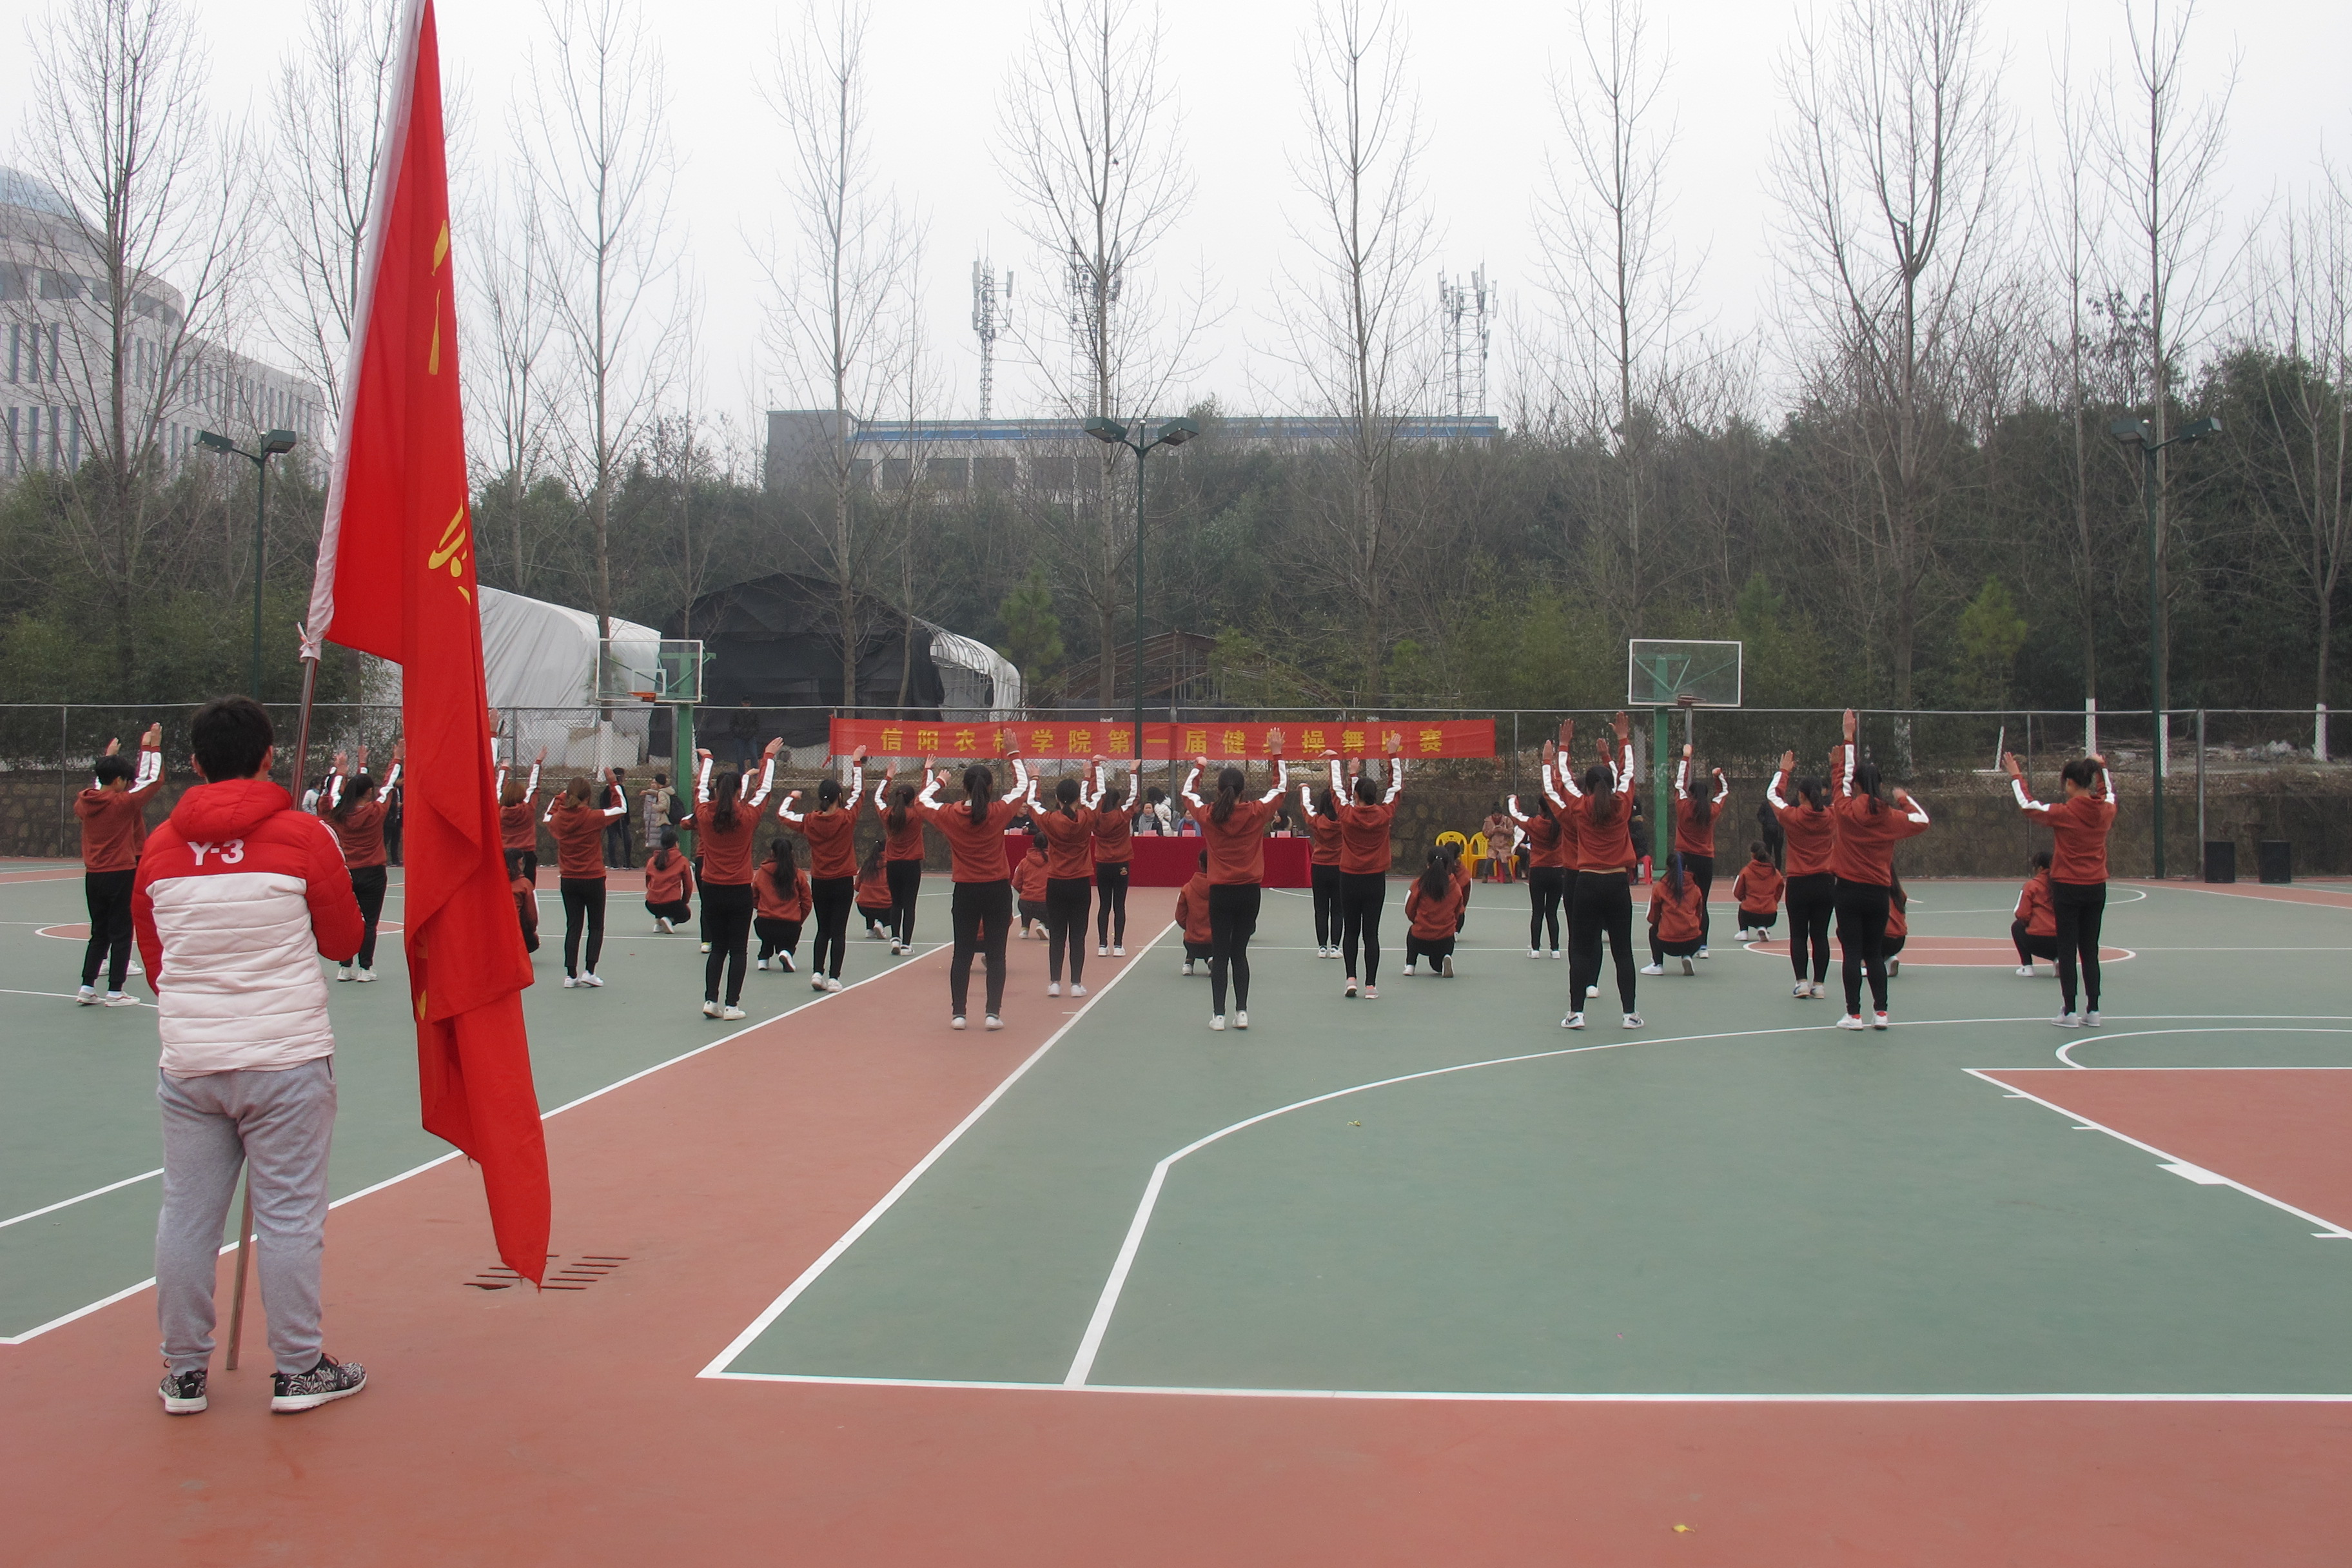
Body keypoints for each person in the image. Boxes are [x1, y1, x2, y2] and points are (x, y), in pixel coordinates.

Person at [133, 695, 368, 1417]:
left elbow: (156, 962)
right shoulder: (305, 835)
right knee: (290, 1215)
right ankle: (299, 1368)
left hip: (193, 1060)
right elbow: (344, 940)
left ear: (195, 762)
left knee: (186, 1215)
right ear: (269, 757)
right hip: (286, 1058)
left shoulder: (160, 847)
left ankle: (183, 1371)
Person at [912, 740, 1032, 1030]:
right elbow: (1023, 787)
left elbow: (921, 802)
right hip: (996, 890)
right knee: (997, 954)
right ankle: (992, 1014)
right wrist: (1014, 754)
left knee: (962, 954)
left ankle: (959, 1014)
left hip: (966, 890)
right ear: (990, 788)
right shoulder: (998, 812)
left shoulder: (951, 815)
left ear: (964, 788)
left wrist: (939, 780)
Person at [1830, 710, 1931, 1031]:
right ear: (1881, 785)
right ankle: (1882, 1013)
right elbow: (1922, 821)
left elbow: (1841, 781)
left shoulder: (1845, 810)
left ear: (1857, 784)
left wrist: (1848, 739)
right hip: (1878, 893)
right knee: (1874, 954)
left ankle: (1853, 1015)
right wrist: (1904, 800)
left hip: (1848, 890)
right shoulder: (1890, 817)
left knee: (1852, 954)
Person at [1181, 736, 1290, 1030]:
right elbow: (1280, 788)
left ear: (1219, 790)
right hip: (1249, 892)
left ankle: (1218, 1016)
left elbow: (1187, 794)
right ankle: (1242, 1013)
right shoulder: (1256, 812)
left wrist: (1199, 767)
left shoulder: (1209, 815)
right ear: (1243, 790)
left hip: (1220, 892)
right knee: (1239, 954)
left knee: (1220, 954)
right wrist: (1277, 754)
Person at [2004, 749, 2117, 1028]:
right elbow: (2109, 793)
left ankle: (2069, 1011)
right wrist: (2102, 769)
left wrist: (2016, 776)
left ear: (2070, 783)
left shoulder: (2065, 813)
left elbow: (2028, 805)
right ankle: (2094, 1010)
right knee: (2090, 950)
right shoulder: (2105, 810)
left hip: (2068, 887)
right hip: (2097, 887)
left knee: (2067, 950)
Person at [1547, 715, 1642, 1030]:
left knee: (1580, 950)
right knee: (1623, 951)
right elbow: (1629, 772)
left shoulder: (1579, 806)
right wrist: (1623, 740)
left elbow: (1562, 780)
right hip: (1617, 883)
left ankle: (1576, 1013)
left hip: (1587, 882)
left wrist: (1563, 746)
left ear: (1586, 788)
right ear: (1612, 786)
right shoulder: (1623, 805)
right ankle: (1630, 1015)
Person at [681, 741, 777, 1019]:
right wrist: (768, 756)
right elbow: (764, 790)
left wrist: (707, 760)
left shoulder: (704, 814)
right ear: (738, 791)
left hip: (712, 889)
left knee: (718, 949)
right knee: (738, 950)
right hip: (738, 890)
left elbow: (700, 790)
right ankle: (732, 1005)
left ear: (716, 790)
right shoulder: (747, 816)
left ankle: (710, 1001)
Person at [75, 721, 164, 1006]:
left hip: (93, 876)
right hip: (120, 873)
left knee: (99, 933)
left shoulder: (85, 803)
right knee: (123, 932)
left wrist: (108, 758)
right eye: (124, 780)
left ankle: (87, 987)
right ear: (118, 782)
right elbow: (153, 781)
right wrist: (153, 746)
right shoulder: (122, 804)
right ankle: (115, 991)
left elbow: (100, 787)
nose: (127, 784)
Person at [778, 748, 868, 994]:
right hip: (842, 881)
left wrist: (792, 797)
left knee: (823, 929)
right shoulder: (846, 818)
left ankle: (817, 973)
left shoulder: (810, 820)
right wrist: (856, 763)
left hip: (820, 881)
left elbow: (783, 815)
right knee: (839, 931)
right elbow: (859, 792)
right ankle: (834, 977)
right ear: (839, 796)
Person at [322, 745, 404, 984]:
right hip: (374, 873)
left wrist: (341, 769)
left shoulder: (339, 812)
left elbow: (334, 793)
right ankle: (365, 968)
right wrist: (396, 759)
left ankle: (344, 967)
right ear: (369, 792)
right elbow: (388, 785)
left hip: (347, 872)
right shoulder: (376, 811)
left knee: (347, 921)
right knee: (370, 922)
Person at [1329, 738, 1404, 1000]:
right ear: (1375, 796)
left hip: (1349, 878)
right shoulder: (1384, 815)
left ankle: (1351, 979)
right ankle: (1371, 986)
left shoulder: (1347, 815)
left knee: (1351, 931)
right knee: (1371, 933)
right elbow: (1396, 787)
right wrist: (1393, 755)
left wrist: (1336, 763)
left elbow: (1337, 791)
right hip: (1375, 880)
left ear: (1357, 796)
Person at [542, 774, 627, 990]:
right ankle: (590, 971)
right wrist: (613, 784)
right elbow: (621, 808)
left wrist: (561, 795)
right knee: (596, 926)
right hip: (593, 878)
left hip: (569, 879)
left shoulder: (558, 819)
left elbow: (547, 816)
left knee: (573, 926)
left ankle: (571, 975)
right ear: (588, 797)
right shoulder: (592, 817)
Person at [1767, 750, 1836, 1000]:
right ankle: (1820, 985)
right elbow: (1845, 796)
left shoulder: (1792, 816)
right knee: (1820, 935)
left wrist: (1784, 771)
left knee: (1798, 935)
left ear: (1801, 795)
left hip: (1799, 883)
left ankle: (1802, 983)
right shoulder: (1832, 816)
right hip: (1826, 882)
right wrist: (1837, 768)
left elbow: (1772, 795)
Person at [1025, 769, 1098, 997]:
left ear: (1057, 798)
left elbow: (1031, 804)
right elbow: (1097, 798)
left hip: (1056, 883)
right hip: (1080, 883)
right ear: (1078, 798)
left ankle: (1055, 983)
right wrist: (1090, 775)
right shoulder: (1087, 817)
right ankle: (1076, 984)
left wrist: (1035, 779)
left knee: (1057, 934)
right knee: (1078, 935)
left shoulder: (1049, 820)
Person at [1672, 747, 1729, 957]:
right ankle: (1703, 946)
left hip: (1683, 859)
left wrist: (1686, 757)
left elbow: (1679, 782)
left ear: (1690, 794)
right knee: (1702, 902)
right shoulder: (1711, 811)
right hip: (1705, 860)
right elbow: (1723, 792)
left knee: (1682, 901)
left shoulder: (1683, 806)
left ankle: (1684, 944)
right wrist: (1718, 777)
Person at [1505, 786, 1568, 961]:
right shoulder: (1562, 823)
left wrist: (1513, 800)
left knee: (1537, 911)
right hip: (1557, 872)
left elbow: (1515, 815)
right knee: (1552, 913)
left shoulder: (1534, 824)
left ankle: (1535, 949)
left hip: (1538, 871)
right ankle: (1555, 950)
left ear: (1540, 808)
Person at [1089, 757, 1141, 956]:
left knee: (1104, 905)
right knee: (1119, 906)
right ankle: (1118, 945)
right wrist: (1133, 771)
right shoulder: (1122, 815)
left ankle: (1102, 945)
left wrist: (1095, 769)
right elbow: (1134, 797)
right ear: (1118, 801)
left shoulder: (1096, 818)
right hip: (1121, 864)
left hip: (1102, 864)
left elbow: (1091, 796)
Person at [874, 770, 928, 955]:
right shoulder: (916, 813)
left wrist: (888, 777)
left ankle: (895, 938)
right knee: (909, 905)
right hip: (911, 865)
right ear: (912, 799)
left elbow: (878, 798)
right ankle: (906, 944)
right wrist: (928, 771)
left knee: (896, 903)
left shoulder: (888, 814)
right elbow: (927, 794)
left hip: (893, 865)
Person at [1300, 763, 1348, 959]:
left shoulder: (1317, 821)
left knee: (1320, 909)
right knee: (1338, 909)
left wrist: (1305, 789)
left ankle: (1322, 947)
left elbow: (1306, 807)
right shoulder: (1345, 821)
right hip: (1339, 868)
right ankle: (1335, 947)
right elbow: (1349, 801)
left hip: (1319, 867)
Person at [1402, 846, 1467, 977]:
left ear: (1428, 864)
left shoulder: (1419, 884)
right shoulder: (1454, 886)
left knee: (1411, 932)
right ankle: (1445, 958)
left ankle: (1410, 965)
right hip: (1445, 939)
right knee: (1436, 966)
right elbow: (1458, 911)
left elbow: (1410, 908)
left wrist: (1417, 921)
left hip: (1420, 938)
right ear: (1448, 865)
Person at [754, 836, 812, 974]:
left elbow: (754, 897)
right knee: (787, 939)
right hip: (789, 925)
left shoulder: (762, 872)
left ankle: (763, 959)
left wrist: (762, 909)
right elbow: (807, 901)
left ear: (772, 852)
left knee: (768, 937)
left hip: (764, 924)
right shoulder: (798, 874)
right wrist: (799, 919)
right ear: (791, 853)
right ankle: (786, 952)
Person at [1643, 852, 1707, 975]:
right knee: (1696, 927)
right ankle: (1687, 955)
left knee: (1653, 930)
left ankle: (1658, 964)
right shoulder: (1695, 889)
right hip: (1693, 942)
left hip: (1667, 944)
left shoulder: (1660, 887)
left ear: (1667, 868)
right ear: (1686, 867)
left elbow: (1653, 917)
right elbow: (1699, 915)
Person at [496, 748, 546, 887]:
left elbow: (499, 789)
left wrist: (504, 768)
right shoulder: (528, 808)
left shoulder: (499, 809)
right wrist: (538, 762)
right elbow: (534, 786)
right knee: (527, 889)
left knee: (505, 889)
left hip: (505, 853)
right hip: (527, 853)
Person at [2012, 850, 2059, 974]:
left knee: (2017, 926)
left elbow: (2022, 914)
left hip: (2037, 941)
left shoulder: (2032, 886)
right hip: (2063, 941)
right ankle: (2060, 960)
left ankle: (2027, 966)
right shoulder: (2063, 886)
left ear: (2040, 868)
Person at [644, 827, 695, 933]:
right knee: (686, 914)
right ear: (676, 844)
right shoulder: (683, 861)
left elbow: (648, 881)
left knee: (660, 902)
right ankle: (669, 921)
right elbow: (688, 886)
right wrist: (684, 902)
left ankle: (659, 922)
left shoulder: (652, 860)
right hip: (672, 903)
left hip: (651, 904)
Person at [1732, 841, 1784, 942]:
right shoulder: (1775, 872)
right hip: (1770, 916)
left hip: (1748, 914)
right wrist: (1773, 902)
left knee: (1743, 906)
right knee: (1764, 911)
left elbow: (1737, 891)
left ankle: (1744, 932)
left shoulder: (1746, 871)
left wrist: (1745, 899)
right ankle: (1763, 928)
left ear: (1752, 854)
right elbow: (1780, 889)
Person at [1173, 850, 1214, 975]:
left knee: (1194, 935)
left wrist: (1190, 928)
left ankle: (1189, 963)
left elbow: (1180, 916)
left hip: (1191, 942)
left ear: (1200, 864)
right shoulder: (1221, 889)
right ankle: (1211, 960)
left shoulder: (1187, 888)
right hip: (1215, 942)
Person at [855, 839, 894, 939]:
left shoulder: (866, 866)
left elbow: (857, 887)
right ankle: (881, 923)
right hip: (885, 907)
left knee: (869, 898)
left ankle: (869, 930)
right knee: (897, 906)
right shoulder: (891, 865)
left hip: (863, 907)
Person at [1013, 840, 1049, 938]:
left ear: (1033, 845)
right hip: (1044, 903)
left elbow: (1016, 883)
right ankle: (1043, 924)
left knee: (1026, 904)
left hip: (1024, 903)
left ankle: (1025, 929)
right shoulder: (1053, 862)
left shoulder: (1024, 862)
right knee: (1057, 908)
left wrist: (1025, 892)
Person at [507, 849, 539, 954]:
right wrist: (532, 932)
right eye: (520, 864)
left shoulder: (495, 881)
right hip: (515, 928)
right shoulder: (524, 884)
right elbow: (531, 916)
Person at [602, 767, 633, 869]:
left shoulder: (621, 788)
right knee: (613, 840)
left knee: (627, 840)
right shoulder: (608, 791)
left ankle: (627, 862)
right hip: (612, 819)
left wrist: (626, 818)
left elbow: (625, 804)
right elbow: (604, 804)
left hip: (621, 819)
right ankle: (613, 863)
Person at [641, 771, 675, 859]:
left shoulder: (662, 794)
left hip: (660, 820)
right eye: (652, 783)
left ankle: (662, 860)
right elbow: (646, 809)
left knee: (662, 843)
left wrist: (654, 806)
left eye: (655, 783)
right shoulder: (650, 796)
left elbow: (663, 806)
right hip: (652, 822)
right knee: (654, 845)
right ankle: (657, 859)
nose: (653, 785)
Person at [1885, 868, 1909, 977]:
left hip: (1882, 939)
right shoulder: (1900, 894)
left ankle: (1864, 964)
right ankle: (1890, 958)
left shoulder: (1875, 891)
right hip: (1899, 941)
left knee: (1844, 931)